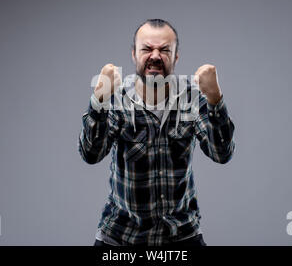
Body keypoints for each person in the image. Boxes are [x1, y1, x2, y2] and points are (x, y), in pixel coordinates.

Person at [78, 19, 235, 246]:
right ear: (134, 54)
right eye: (147, 49)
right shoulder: (117, 99)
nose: (155, 56)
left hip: (181, 236)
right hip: (121, 238)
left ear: (176, 57)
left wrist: (215, 99)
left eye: (164, 50)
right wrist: (99, 100)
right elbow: (90, 154)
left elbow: (222, 154)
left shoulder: (191, 99)